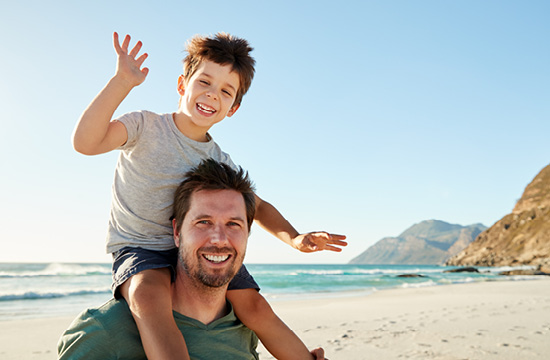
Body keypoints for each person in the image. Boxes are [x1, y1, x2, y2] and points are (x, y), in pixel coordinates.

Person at [72, 32, 346, 360]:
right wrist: (121, 82)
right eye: (204, 82)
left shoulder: (219, 160)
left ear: (233, 108)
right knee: (148, 297)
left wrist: (296, 238)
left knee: (255, 306)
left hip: (200, 249)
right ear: (181, 85)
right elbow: (86, 143)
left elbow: (257, 207)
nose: (212, 95)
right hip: (142, 247)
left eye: (225, 91)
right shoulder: (145, 126)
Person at [58, 159, 326, 359]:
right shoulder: (105, 331)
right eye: (204, 222)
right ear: (177, 232)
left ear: (248, 233)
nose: (219, 238)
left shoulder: (243, 327)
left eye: (234, 224)